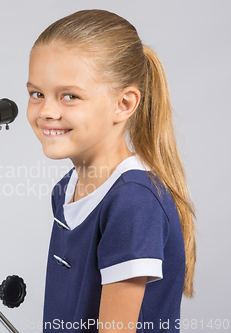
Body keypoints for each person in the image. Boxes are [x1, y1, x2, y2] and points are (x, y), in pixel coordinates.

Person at [26, 9, 196, 332]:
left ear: (124, 104)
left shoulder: (134, 204)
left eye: (69, 96)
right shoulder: (66, 188)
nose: (46, 111)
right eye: (37, 94)